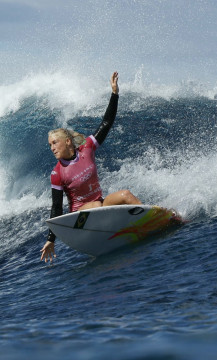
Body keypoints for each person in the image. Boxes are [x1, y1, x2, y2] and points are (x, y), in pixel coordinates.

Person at [40, 71, 142, 262]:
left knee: (126, 194)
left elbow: (107, 122)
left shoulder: (87, 148)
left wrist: (114, 94)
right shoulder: (57, 173)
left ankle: (147, 222)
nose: (52, 148)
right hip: (81, 219)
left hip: (100, 205)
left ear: (68, 142)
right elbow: (56, 208)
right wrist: (50, 239)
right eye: (50, 145)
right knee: (95, 205)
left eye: (55, 143)